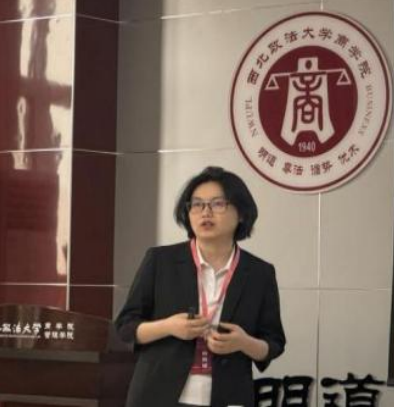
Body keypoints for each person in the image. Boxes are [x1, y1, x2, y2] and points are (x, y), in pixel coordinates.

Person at [115, 166, 286, 407]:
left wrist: (244, 343)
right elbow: (125, 326)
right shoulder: (160, 261)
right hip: (157, 395)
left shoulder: (260, 273)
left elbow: (274, 343)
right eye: (196, 204)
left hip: (229, 396)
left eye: (217, 204)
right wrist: (169, 326)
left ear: (241, 213)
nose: (205, 212)